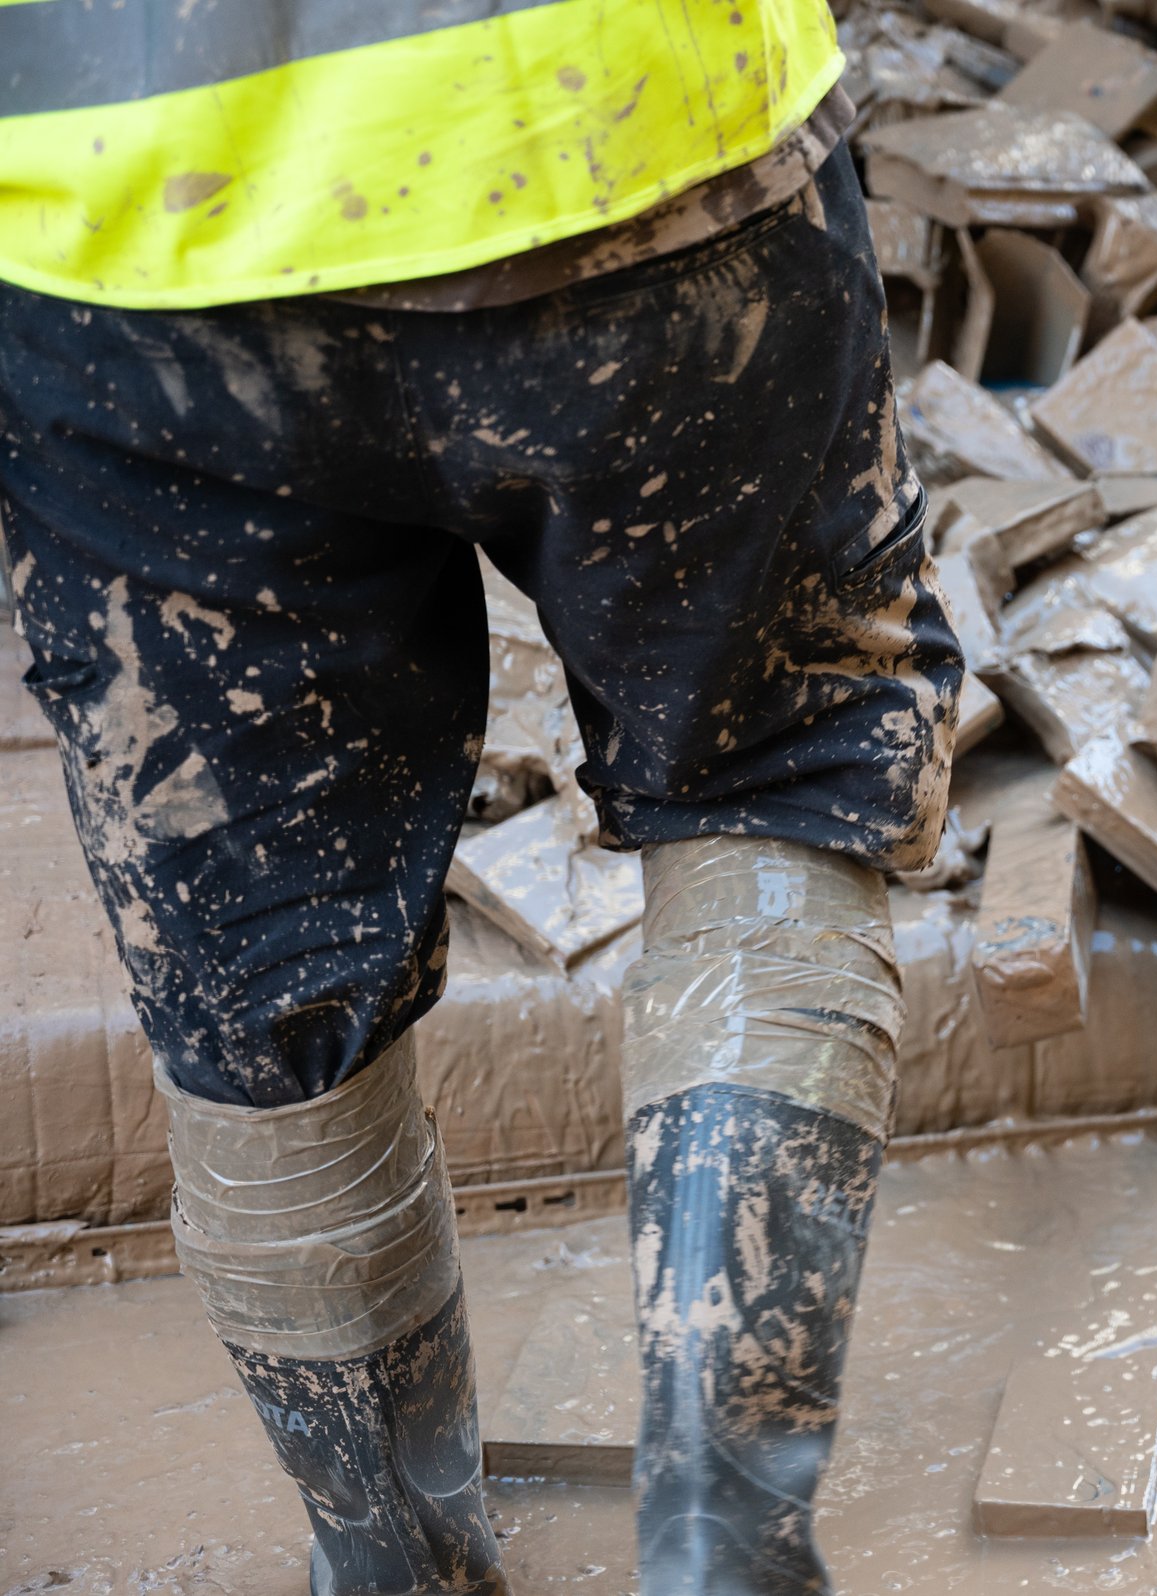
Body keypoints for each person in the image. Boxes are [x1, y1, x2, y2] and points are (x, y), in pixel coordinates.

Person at [0, 5, 961, 1591]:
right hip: (640, 135)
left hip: (129, 262)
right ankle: (725, 1562)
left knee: (261, 955)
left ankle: (394, 1576)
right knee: (770, 775)